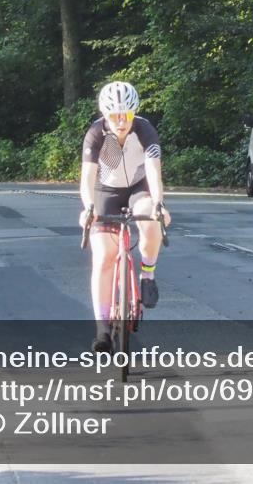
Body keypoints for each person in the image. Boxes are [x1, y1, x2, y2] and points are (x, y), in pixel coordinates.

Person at [79, 81, 171, 353]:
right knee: (104, 256)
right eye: (115, 115)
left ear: (134, 113)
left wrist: (159, 203)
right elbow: (87, 177)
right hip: (105, 190)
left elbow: (154, 170)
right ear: (105, 115)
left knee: (149, 217)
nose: (121, 121)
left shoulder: (144, 129)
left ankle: (148, 273)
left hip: (137, 188)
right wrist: (88, 207)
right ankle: (102, 330)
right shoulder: (95, 133)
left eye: (127, 115)